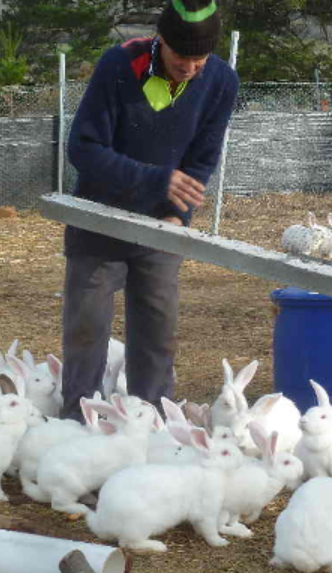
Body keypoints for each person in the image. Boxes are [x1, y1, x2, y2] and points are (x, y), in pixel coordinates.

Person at [60, 0, 239, 421]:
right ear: (162, 42)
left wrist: (179, 215)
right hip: (99, 221)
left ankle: (153, 423)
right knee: (87, 331)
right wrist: (157, 180)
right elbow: (83, 149)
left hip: (162, 225)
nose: (190, 68)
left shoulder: (221, 81)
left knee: (157, 333)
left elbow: (202, 159)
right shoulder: (119, 66)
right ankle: (77, 424)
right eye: (181, 58)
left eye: (200, 60)